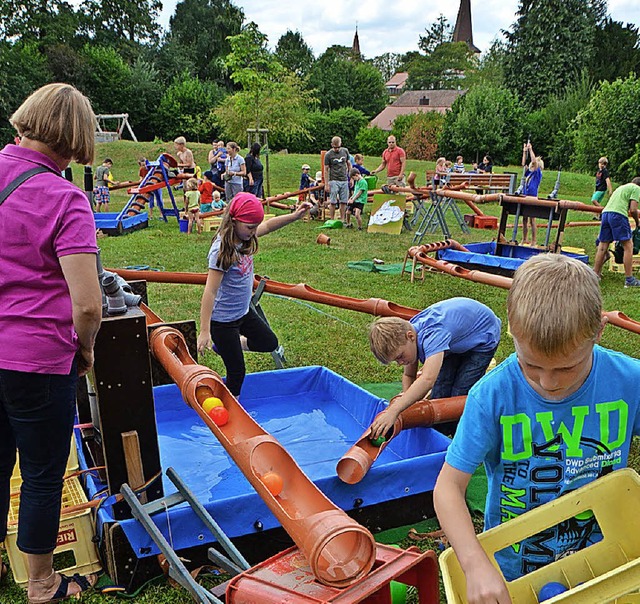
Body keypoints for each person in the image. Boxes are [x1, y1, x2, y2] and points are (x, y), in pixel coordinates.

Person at [434, 255, 640, 601]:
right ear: (512, 327)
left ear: (599, 331)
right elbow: (448, 488)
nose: (547, 382)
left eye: (566, 368)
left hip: (604, 559)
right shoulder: (492, 395)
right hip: (513, 568)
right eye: (531, 365)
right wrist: (475, 564)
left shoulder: (628, 381)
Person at [0, 83, 102, 603]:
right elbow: (87, 304)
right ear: (75, 141)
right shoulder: (65, 198)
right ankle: (42, 584)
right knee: (42, 473)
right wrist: (83, 350)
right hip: (37, 360)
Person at [197, 194, 312, 397]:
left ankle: (228, 346)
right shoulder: (222, 250)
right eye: (250, 227)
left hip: (242, 313)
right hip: (222, 322)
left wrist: (294, 216)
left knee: (269, 342)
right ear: (234, 220)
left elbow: (268, 226)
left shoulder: (244, 236)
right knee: (237, 371)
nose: (253, 232)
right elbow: (210, 291)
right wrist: (204, 331)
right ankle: (234, 406)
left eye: (254, 227)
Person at [368, 298, 501, 439]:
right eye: (396, 360)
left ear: (411, 336)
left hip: (483, 337)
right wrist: (408, 403)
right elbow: (409, 376)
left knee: (460, 392)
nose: (400, 362)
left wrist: (393, 411)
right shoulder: (408, 338)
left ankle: (460, 438)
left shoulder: (433, 336)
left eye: (400, 356)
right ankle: (439, 434)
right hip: (456, 339)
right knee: (441, 387)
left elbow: (427, 379)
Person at [593, 177, 640, 288]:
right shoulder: (636, 188)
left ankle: (595, 275)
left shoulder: (621, 188)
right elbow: (633, 209)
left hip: (605, 213)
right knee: (628, 246)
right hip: (618, 215)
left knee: (603, 246)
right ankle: (629, 280)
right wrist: (637, 223)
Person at [520, 141, 544, 245]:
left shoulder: (537, 173)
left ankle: (534, 240)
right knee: (524, 220)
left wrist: (530, 149)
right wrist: (524, 152)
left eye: (533, 166)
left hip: (532, 197)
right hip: (526, 196)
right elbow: (523, 164)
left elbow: (534, 161)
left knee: (532, 220)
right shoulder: (529, 173)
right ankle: (524, 238)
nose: (531, 167)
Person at [324, 136, 351, 222]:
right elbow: (326, 169)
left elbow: (349, 164)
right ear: (332, 145)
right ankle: (332, 219)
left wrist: (351, 178)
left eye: (338, 147)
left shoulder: (345, 151)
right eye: (335, 147)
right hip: (334, 179)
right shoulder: (328, 155)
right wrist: (326, 184)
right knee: (333, 201)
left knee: (343, 201)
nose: (336, 149)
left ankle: (342, 219)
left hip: (344, 179)